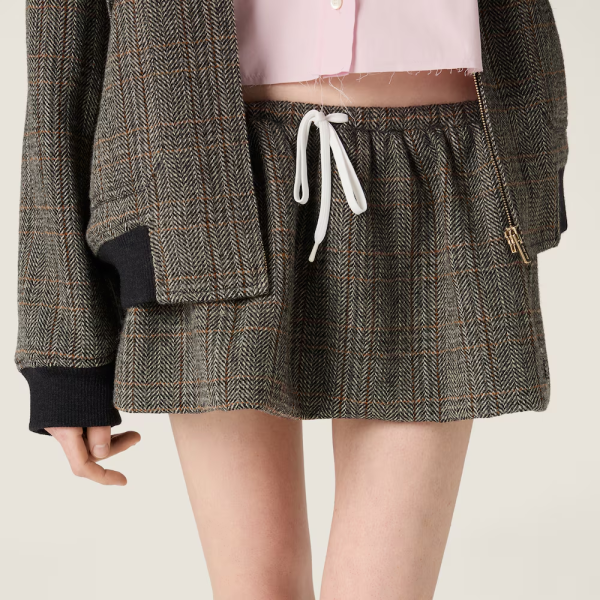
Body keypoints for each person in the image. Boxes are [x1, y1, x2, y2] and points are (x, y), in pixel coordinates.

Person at [14, 0, 568, 598]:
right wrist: (63, 345)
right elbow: (59, 52)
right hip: (206, 179)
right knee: (256, 590)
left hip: (436, 168)